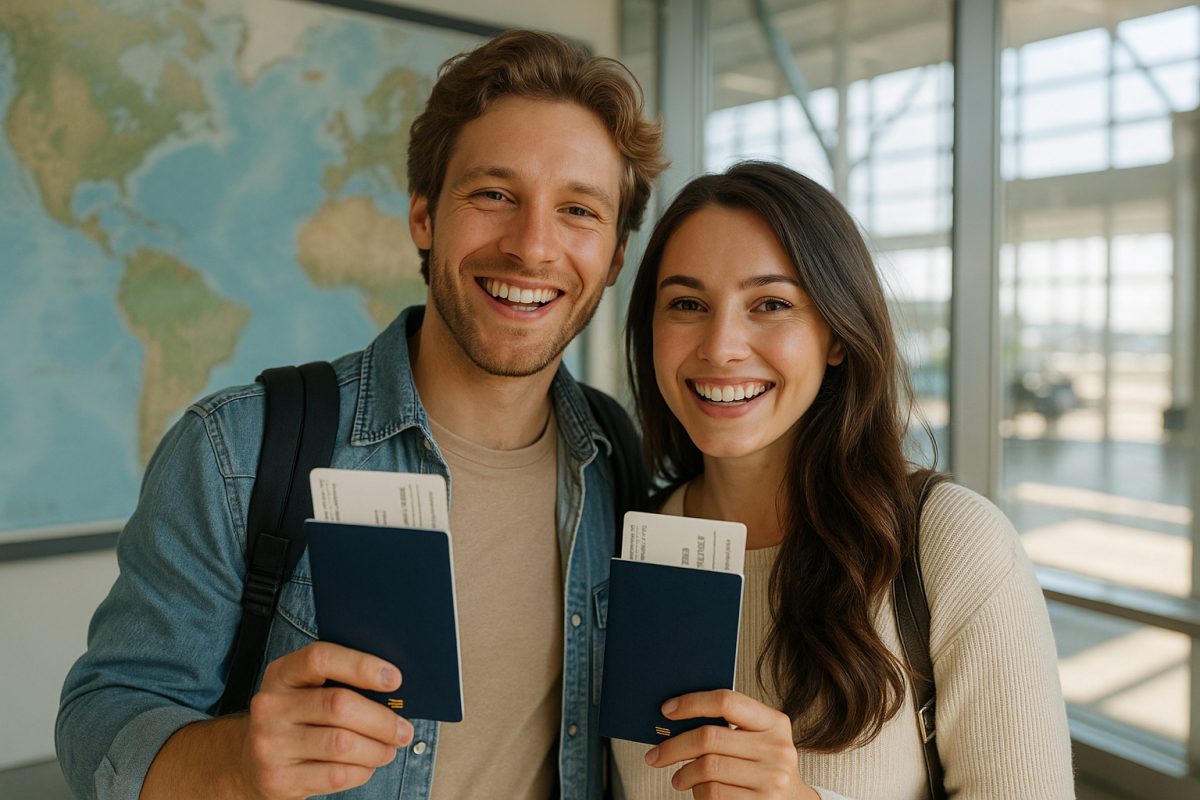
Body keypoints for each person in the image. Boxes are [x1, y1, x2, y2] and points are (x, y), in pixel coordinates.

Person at [56, 30, 665, 800]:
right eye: (494, 195)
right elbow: (99, 723)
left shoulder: (619, 460)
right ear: (422, 216)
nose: (532, 247)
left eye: (579, 209)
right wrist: (237, 759)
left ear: (613, 259)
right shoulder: (235, 450)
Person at [617, 161, 1074, 799]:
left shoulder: (948, 542)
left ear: (836, 333)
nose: (720, 346)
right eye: (687, 304)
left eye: (771, 304)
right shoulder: (629, 544)